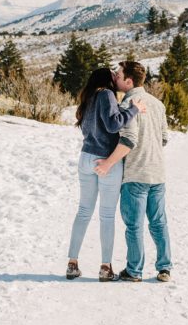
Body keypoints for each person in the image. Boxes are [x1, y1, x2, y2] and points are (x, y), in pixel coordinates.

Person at [95, 60, 173, 283]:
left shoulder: (128, 104)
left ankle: (134, 271)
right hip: (157, 173)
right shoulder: (157, 104)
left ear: (129, 81)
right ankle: (164, 268)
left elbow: (129, 139)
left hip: (136, 174)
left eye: (119, 75)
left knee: (134, 225)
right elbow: (164, 138)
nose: (115, 78)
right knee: (159, 223)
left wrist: (108, 163)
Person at [66, 67, 147, 282]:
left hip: (85, 157)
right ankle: (105, 267)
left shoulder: (89, 96)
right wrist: (133, 110)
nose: (116, 75)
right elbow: (113, 125)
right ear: (106, 78)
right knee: (107, 215)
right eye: (113, 73)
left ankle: (72, 263)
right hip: (106, 160)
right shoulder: (107, 94)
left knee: (83, 212)